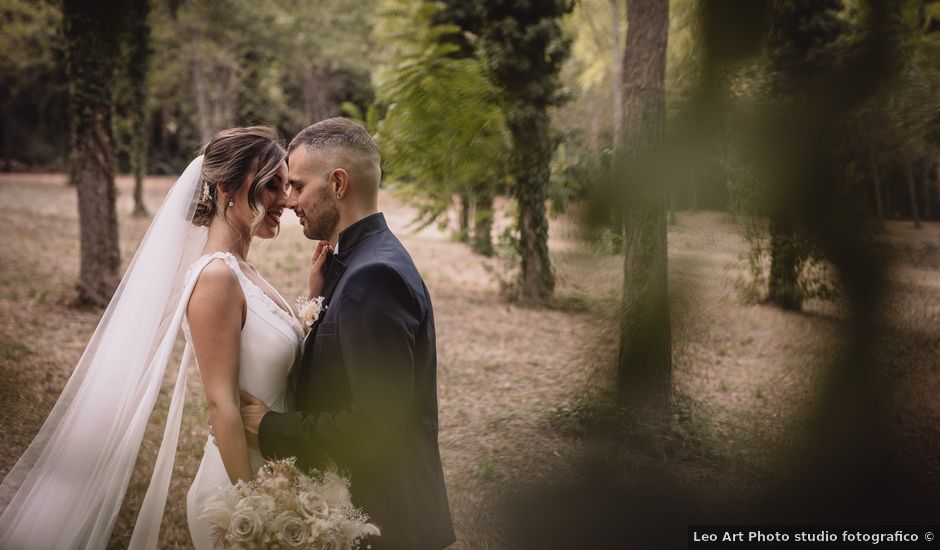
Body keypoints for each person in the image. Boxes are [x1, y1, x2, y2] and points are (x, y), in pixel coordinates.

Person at [0, 126, 324, 550]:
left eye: (286, 186)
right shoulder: (216, 278)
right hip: (243, 490)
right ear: (228, 187)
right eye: (271, 186)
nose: (285, 200)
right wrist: (255, 505)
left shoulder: (244, 274)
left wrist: (315, 294)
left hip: (279, 468)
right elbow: (220, 403)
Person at [240, 117, 456, 550]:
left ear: (338, 183)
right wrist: (315, 300)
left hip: (386, 524)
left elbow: (376, 425)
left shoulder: (373, 275)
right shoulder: (359, 261)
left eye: (298, 186)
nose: (288, 199)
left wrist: (271, 428)